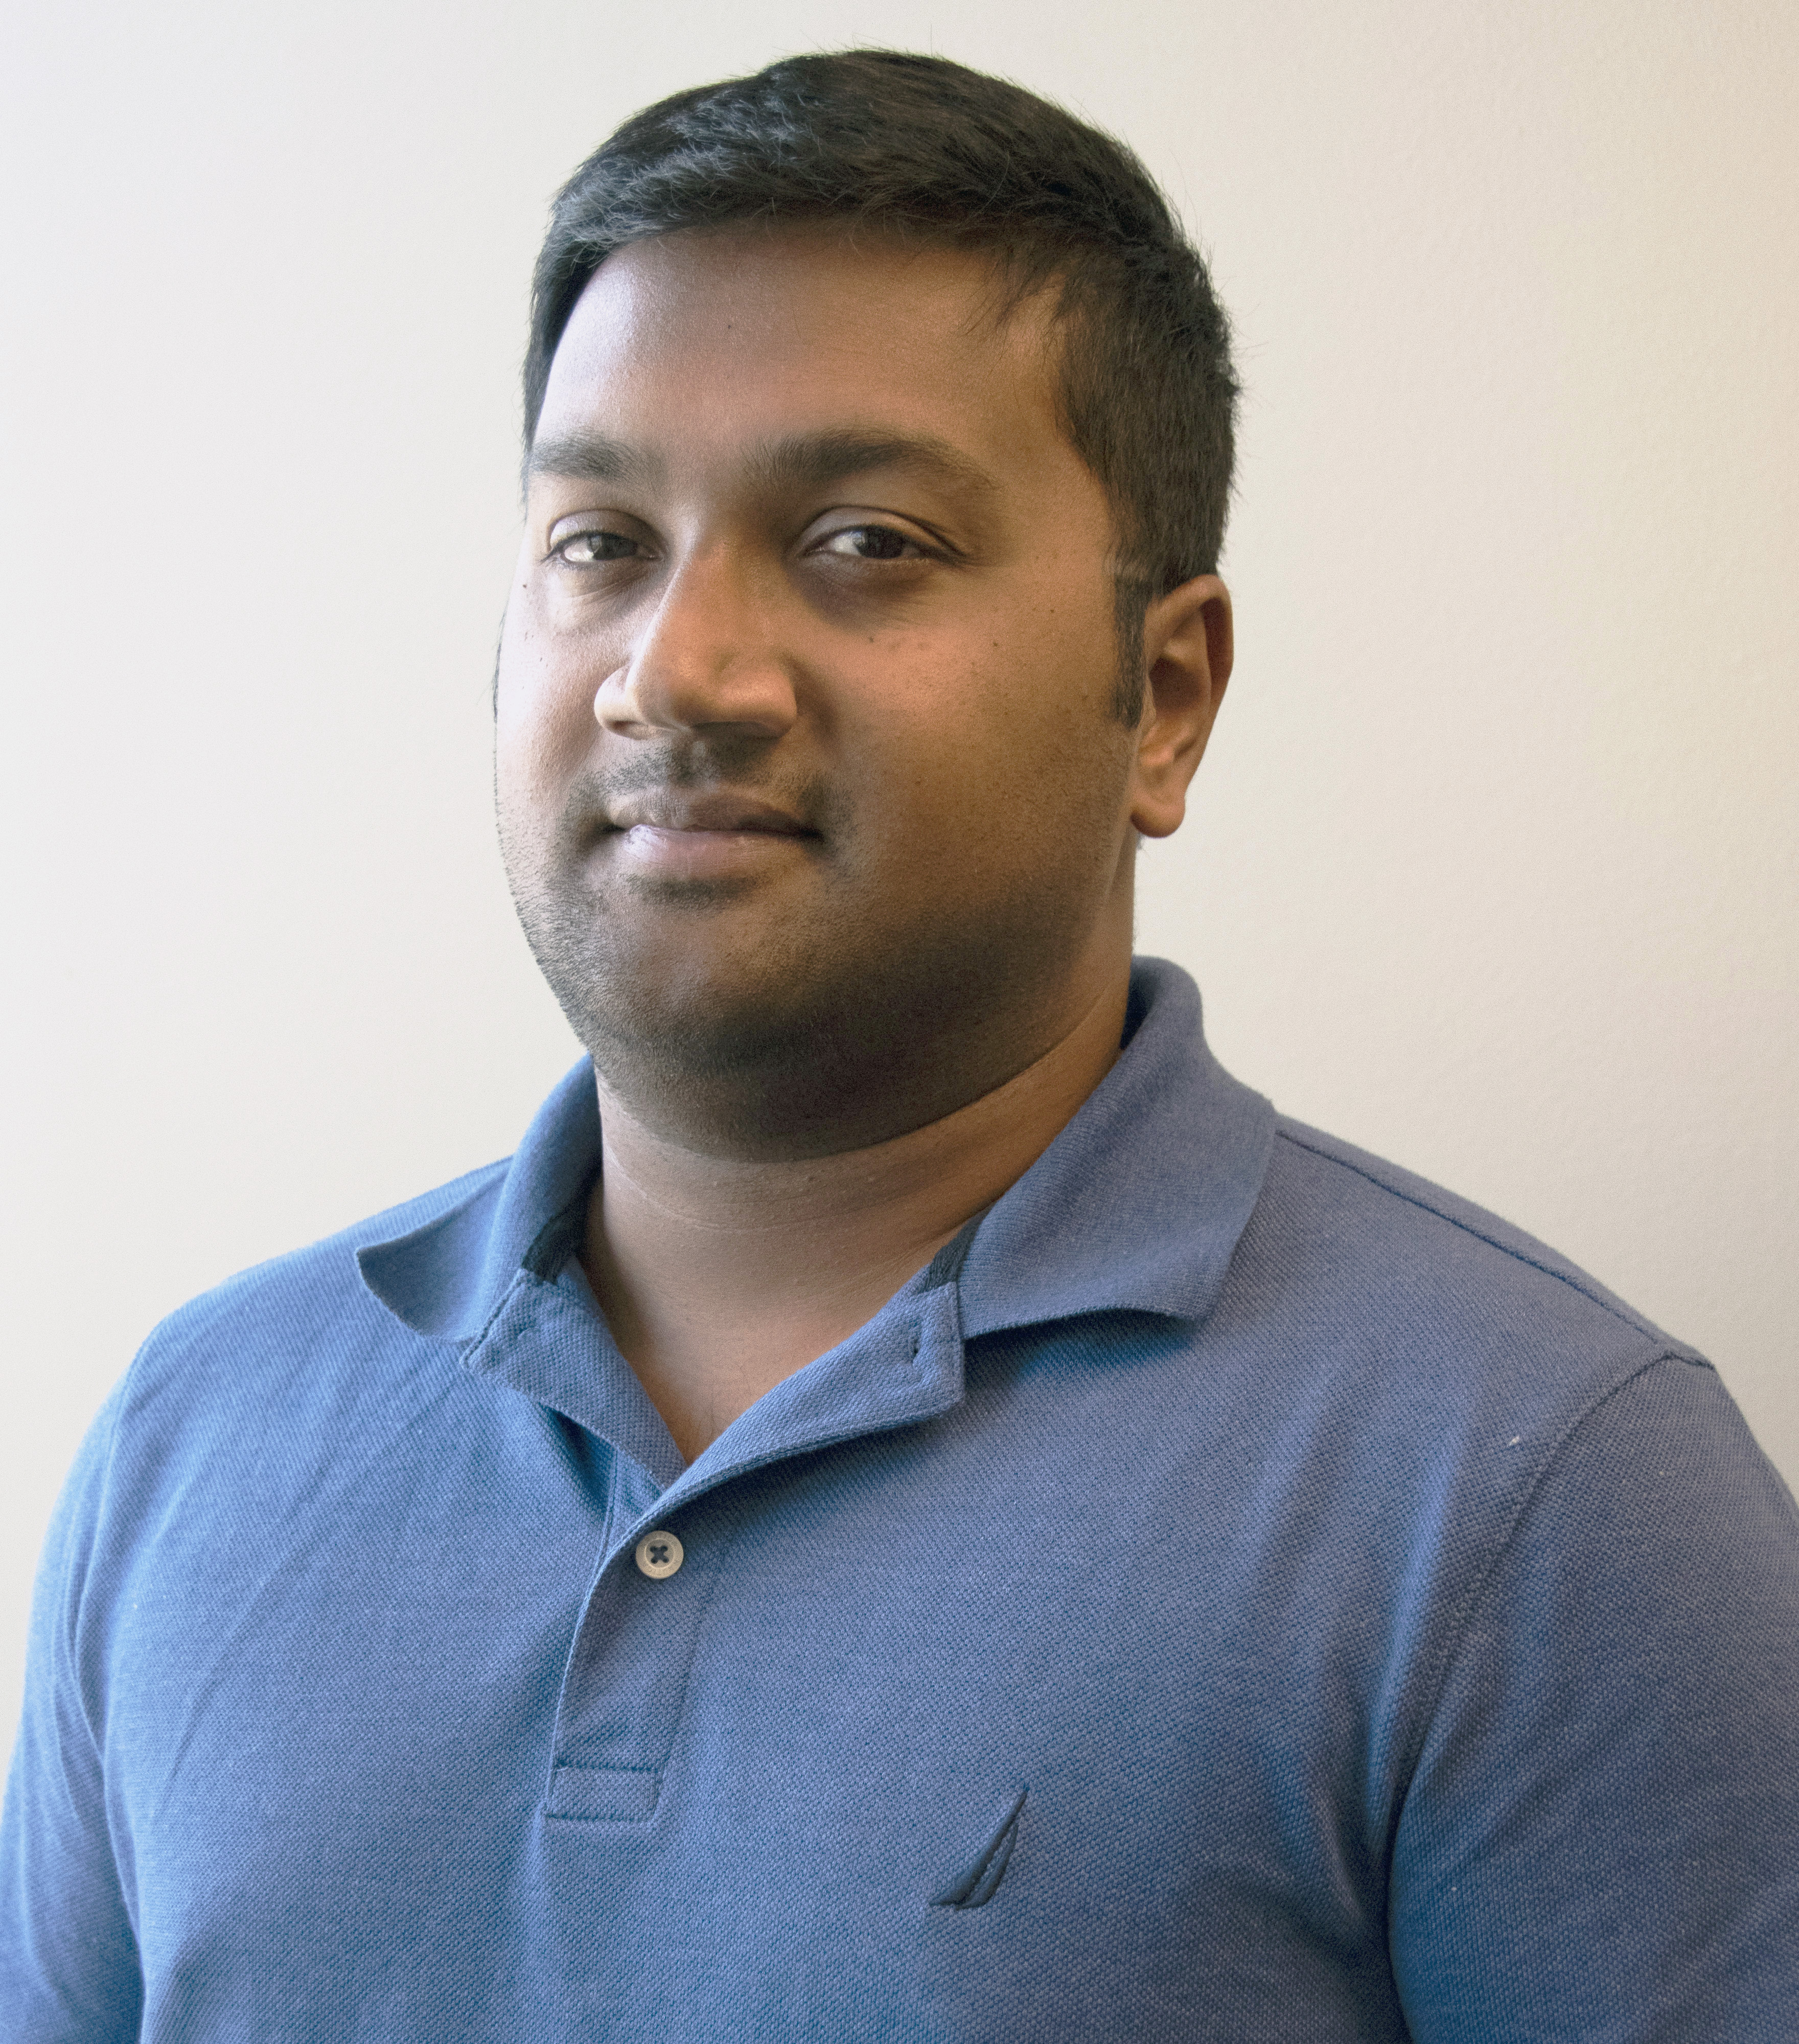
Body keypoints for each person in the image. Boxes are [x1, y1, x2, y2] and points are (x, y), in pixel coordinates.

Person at [4, 48, 1795, 2043]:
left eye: (864, 540)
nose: (677, 672)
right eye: (601, 541)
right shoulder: (199, 1437)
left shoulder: (1537, 1492)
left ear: (1165, 697)